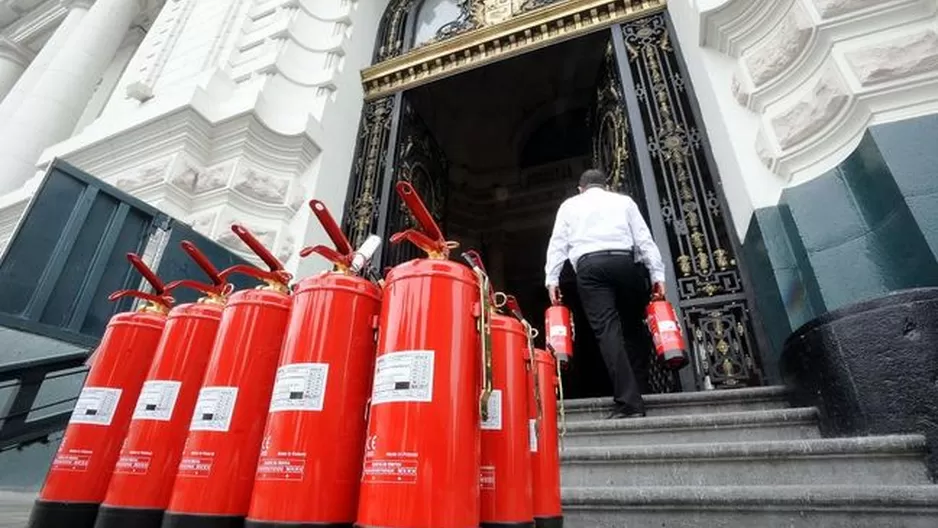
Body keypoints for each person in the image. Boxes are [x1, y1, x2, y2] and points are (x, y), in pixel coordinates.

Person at [544, 169, 666, 419]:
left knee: (608, 332)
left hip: (590, 268)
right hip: (625, 263)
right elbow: (644, 240)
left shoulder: (570, 206)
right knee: (633, 328)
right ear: (606, 186)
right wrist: (658, 275)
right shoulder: (624, 202)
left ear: (581, 188)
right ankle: (642, 388)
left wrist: (552, 279)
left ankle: (629, 402)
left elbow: (558, 244)